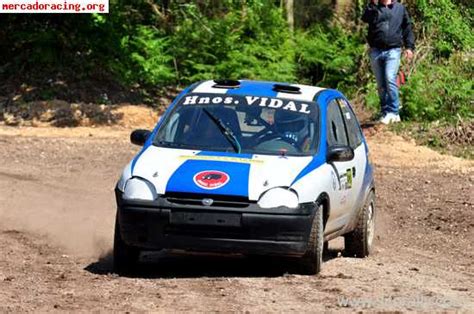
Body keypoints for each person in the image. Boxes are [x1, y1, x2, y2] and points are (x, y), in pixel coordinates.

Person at [362, 0, 415, 124]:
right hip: (376, 50)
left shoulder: (400, 8)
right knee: (381, 84)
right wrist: (372, 5)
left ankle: (394, 112)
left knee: (390, 78)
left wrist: (409, 47)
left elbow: (407, 27)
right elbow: (365, 18)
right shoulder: (374, 8)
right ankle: (385, 112)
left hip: (393, 50)